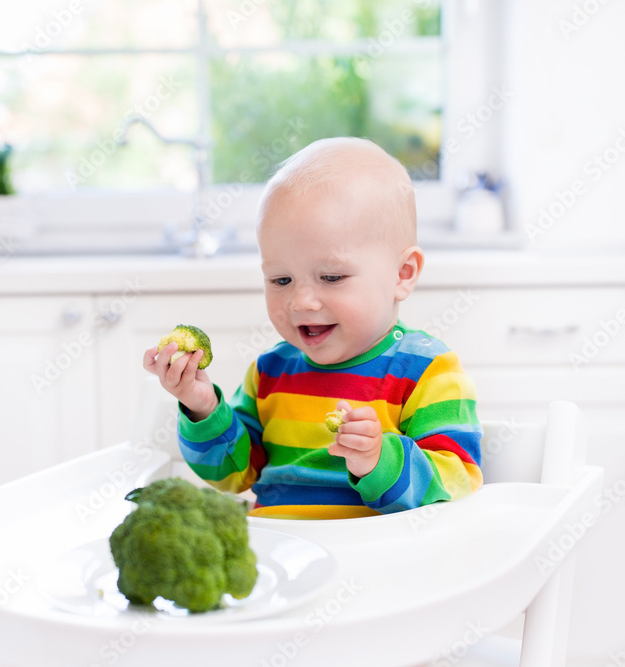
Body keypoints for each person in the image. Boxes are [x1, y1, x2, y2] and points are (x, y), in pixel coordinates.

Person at [143, 137, 482, 519]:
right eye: (281, 280)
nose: (301, 301)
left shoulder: (428, 371)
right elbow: (233, 476)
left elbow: (459, 481)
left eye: (331, 277)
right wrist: (204, 408)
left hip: (377, 552)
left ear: (402, 274)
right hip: (277, 548)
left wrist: (379, 459)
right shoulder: (270, 372)